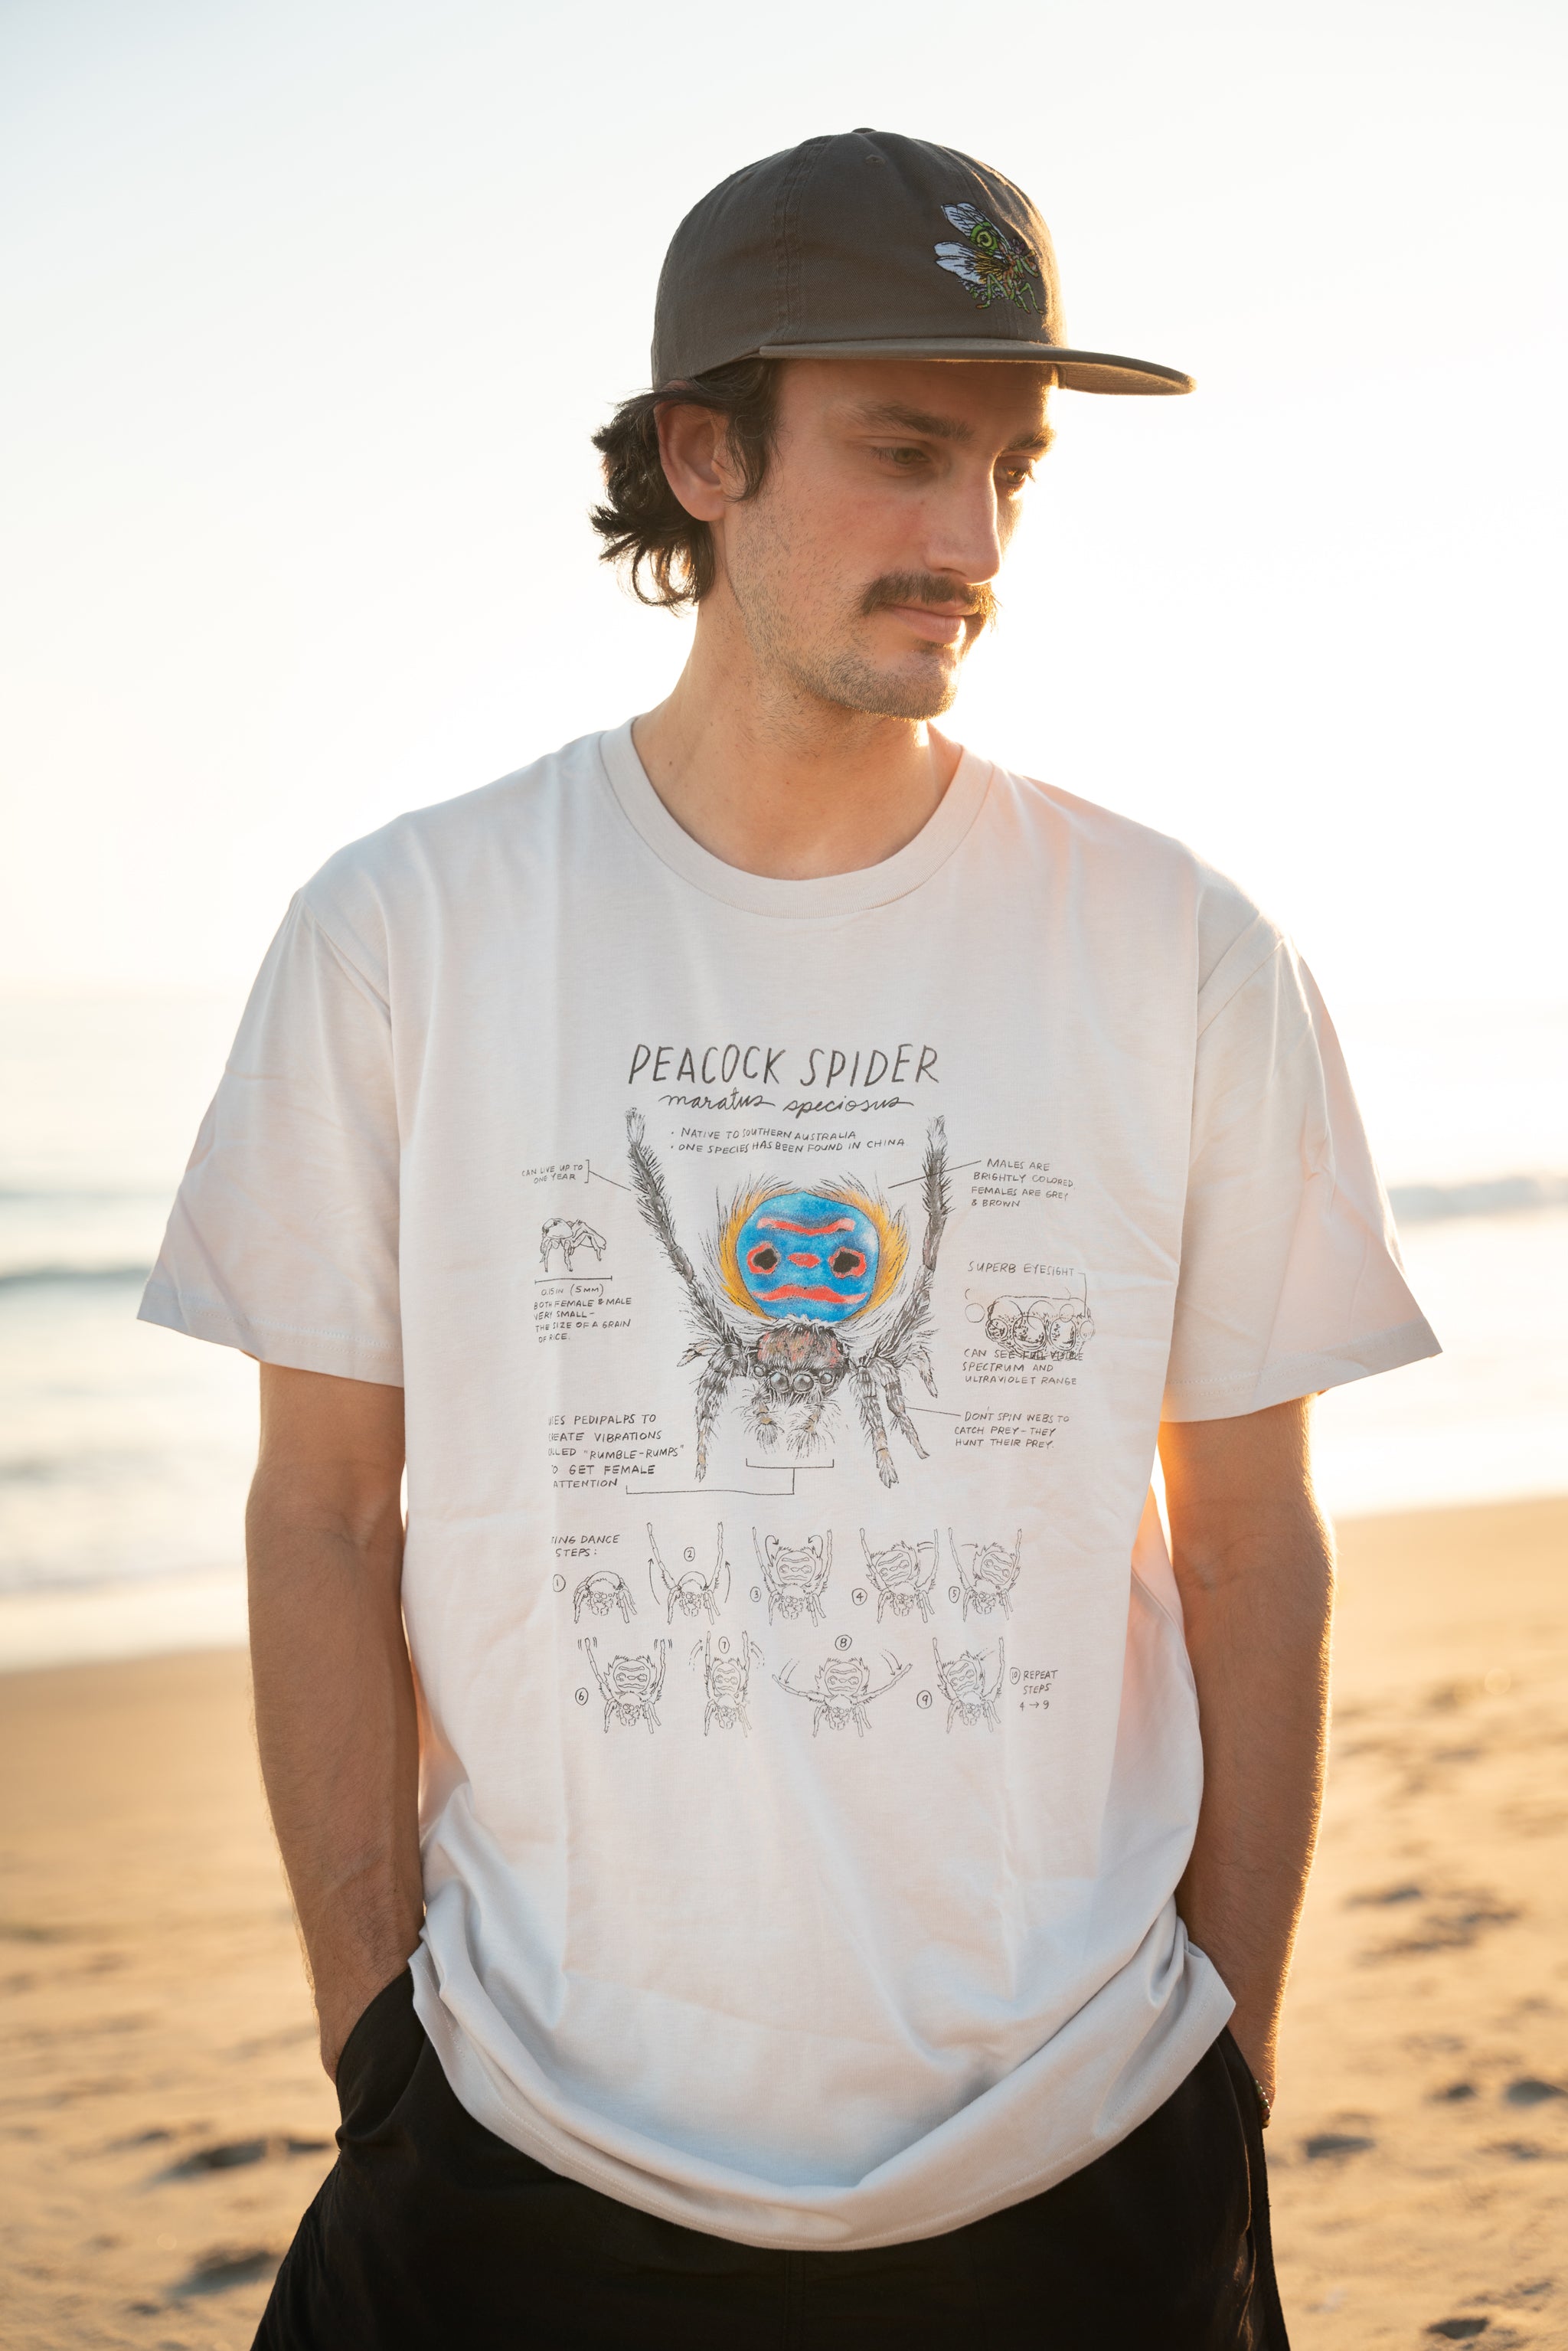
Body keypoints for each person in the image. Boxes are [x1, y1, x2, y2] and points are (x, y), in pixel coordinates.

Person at [141, 129, 1439, 2349]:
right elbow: (324, 1516)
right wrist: (376, 2051)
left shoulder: (1180, 946)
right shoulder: (409, 931)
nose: (975, 544)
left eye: (1013, 471)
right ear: (703, 456)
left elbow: (1251, 1543)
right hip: (524, 2138)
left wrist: (1228, 2068)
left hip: (1081, 2141)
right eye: (907, 453)